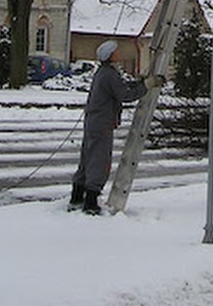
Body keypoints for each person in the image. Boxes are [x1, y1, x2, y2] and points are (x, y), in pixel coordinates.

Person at [69, 40, 162, 214]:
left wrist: (140, 82)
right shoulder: (109, 75)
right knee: (99, 159)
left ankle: (77, 196)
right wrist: (147, 86)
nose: (119, 54)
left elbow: (121, 87)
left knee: (87, 158)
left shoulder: (103, 73)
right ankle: (90, 201)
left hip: (94, 121)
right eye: (116, 52)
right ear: (111, 55)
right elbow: (124, 94)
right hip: (102, 123)